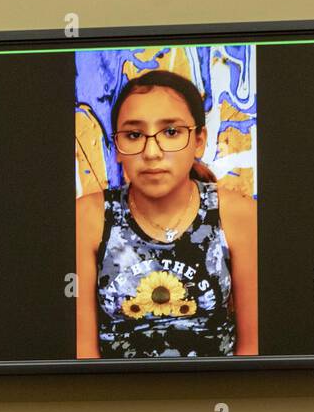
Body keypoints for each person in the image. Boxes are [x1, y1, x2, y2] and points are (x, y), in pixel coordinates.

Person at [76, 69, 258, 358]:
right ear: (118, 148)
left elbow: (253, 349)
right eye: (134, 135)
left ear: (199, 140)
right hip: (115, 399)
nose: (151, 152)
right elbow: (83, 355)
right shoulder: (89, 218)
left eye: (171, 132)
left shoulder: (236, 214)